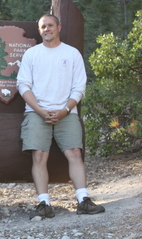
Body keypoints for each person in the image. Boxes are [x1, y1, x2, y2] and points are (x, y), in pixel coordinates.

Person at [16, 13, 105, 217]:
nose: (46, 29)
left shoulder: (72, 54)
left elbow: (79, 88)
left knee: (74, 153)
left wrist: (64, 110)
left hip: (66, 112)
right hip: (36, 112)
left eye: (50, 25)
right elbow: (23, 85)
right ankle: (44, 204)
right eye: (42, 27)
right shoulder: (32, 54)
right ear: (39, 31)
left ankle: (83, 200)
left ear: (59, 27)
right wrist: (40, 110)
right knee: (39, 155)